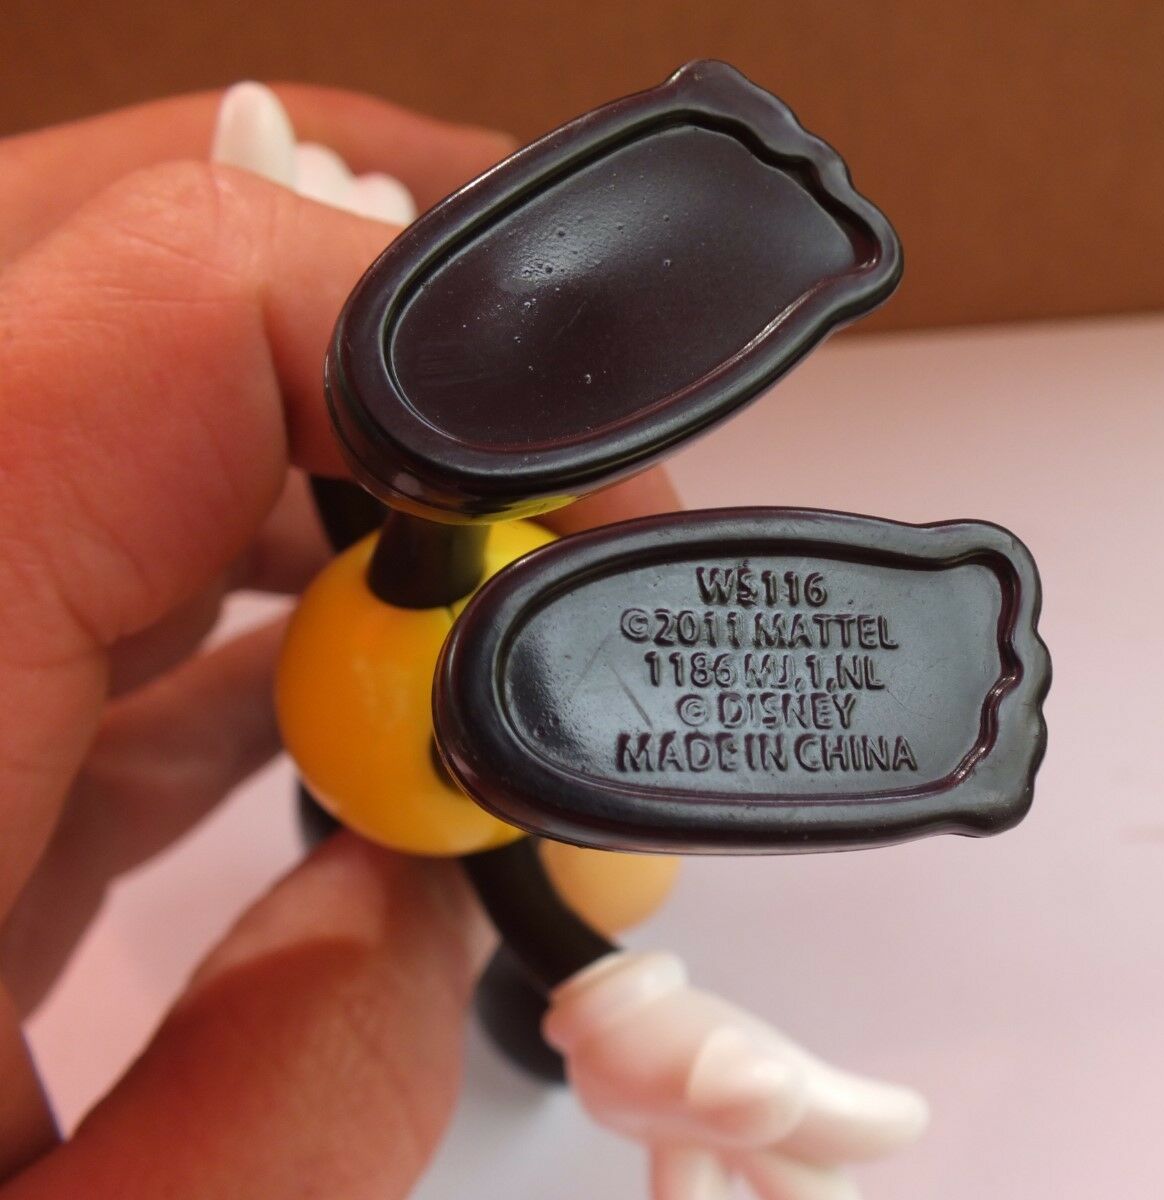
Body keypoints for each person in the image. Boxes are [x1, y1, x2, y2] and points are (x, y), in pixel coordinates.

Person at [0, 84, 680, 1197]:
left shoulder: (557, 681)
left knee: (544, 955)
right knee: (491, 923)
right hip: (431, 816)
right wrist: (624, 1009)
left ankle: (546, 1022)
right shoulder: (393, 646)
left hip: (587, 841)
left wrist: (640, 1016)